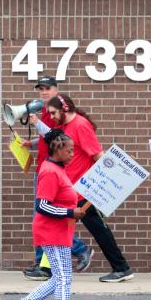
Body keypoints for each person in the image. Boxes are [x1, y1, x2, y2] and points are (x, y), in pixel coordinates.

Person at [6, 129, 88, 300]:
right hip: (51, 231)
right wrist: (71, 212)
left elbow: (63, 198)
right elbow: (42, 206)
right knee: (63, 279)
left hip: (60, 231)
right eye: (69, 150)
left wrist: (75, 207)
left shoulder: (58, 169)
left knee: (61, 278)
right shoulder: (50, 171)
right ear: (57, 148)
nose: (72, 154)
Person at [47, 94, 134, 283]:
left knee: (99, 231)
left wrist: (108, 185)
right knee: (55, 227)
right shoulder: (64, 127)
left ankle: (121, 268)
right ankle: (48, 268)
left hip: (84, 191)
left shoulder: (80, 125)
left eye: (54, 113)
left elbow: (98, 155)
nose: (52, 116)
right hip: (70, 190)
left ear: (65, 109)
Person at [21, 77, 92, 281]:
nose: (43, 92)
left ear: (56, 89)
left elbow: (57, 138)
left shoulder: (55, 113)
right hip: (44, 167)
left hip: (51, 169)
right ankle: (43, 264)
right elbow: (46, 140)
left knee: (42, 215)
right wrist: (31, 143)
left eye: (47, 88)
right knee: (42, 217)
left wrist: (38, 124)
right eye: (40, 89)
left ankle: (77, 250)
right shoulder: (45, 110)